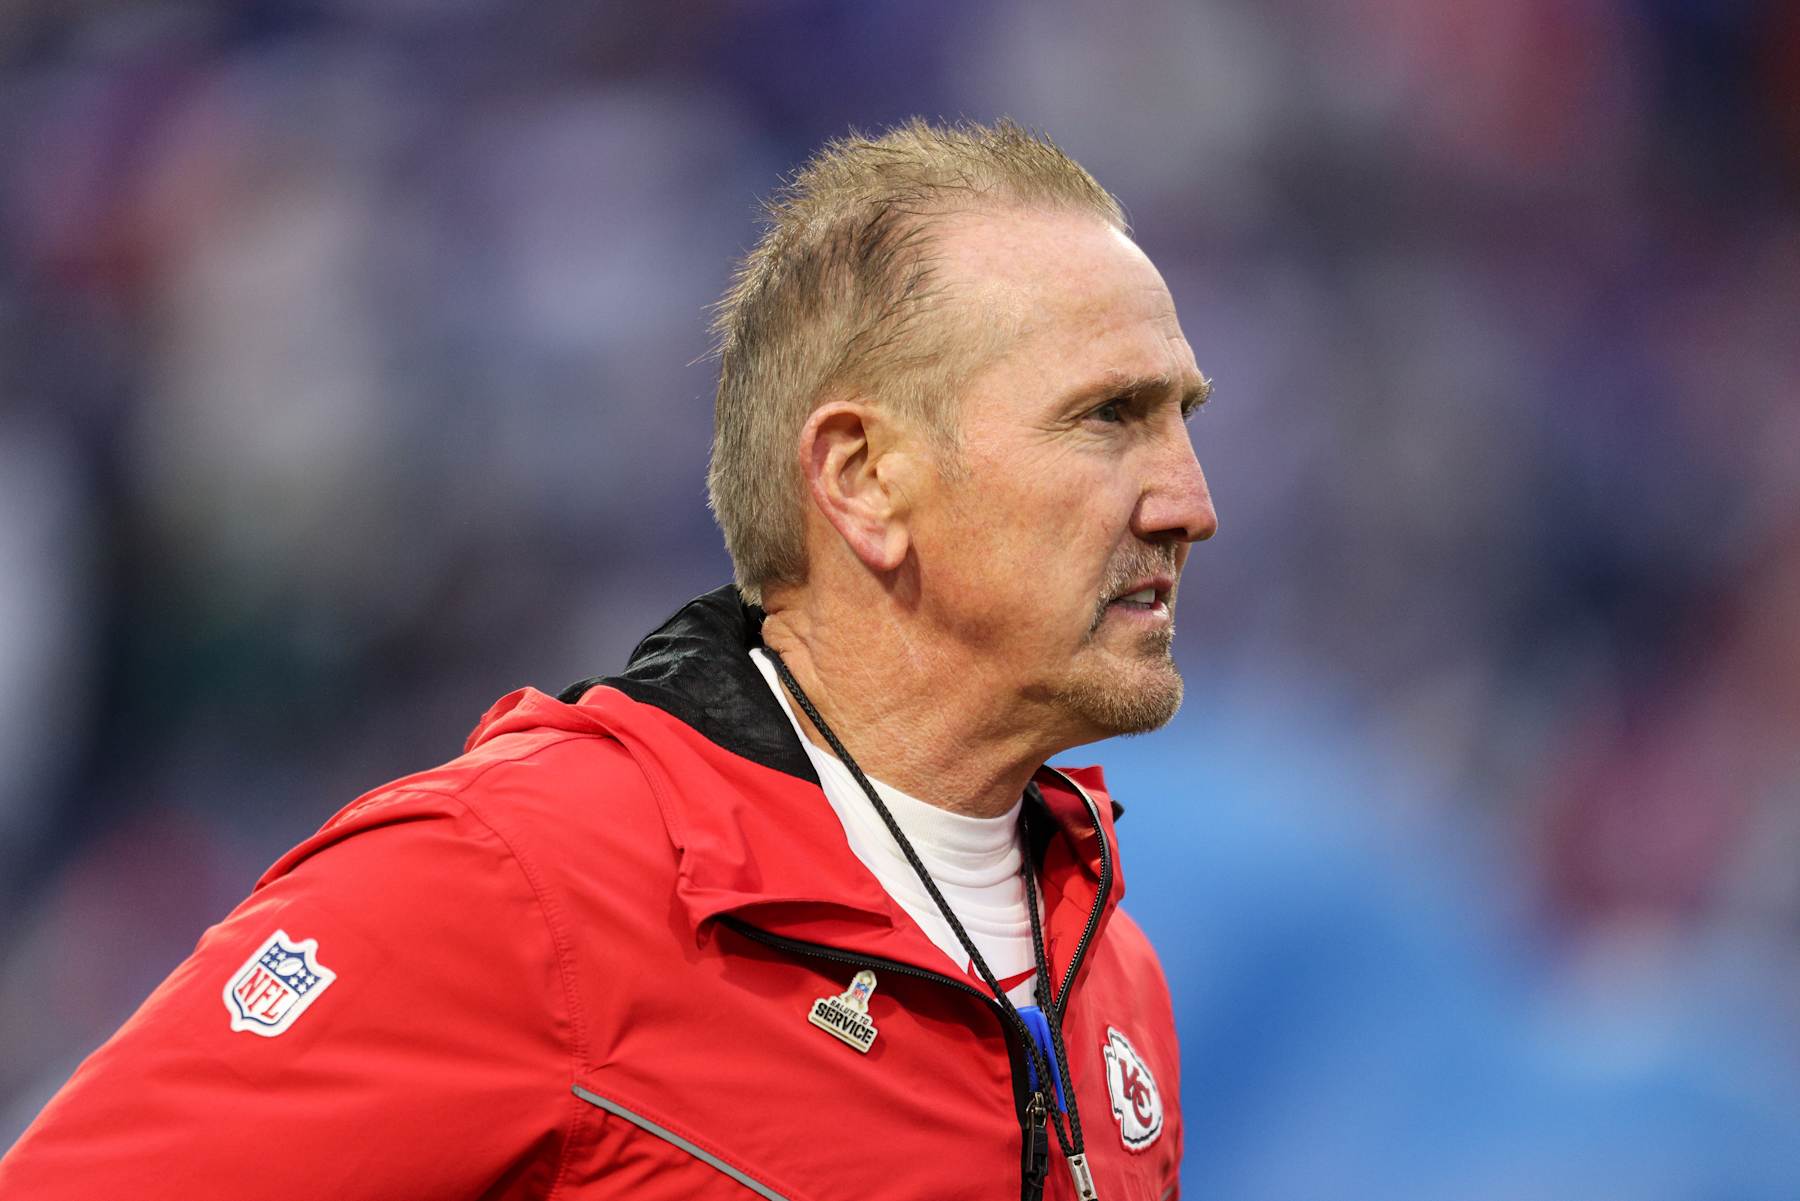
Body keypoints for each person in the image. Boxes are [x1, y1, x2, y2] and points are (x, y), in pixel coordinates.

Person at [0, 118, 1215, 1201]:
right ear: (862, 480)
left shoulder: (1106, 957)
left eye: (1182, 417)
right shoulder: (514, 887)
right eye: (1109, 417)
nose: (1189, 501)